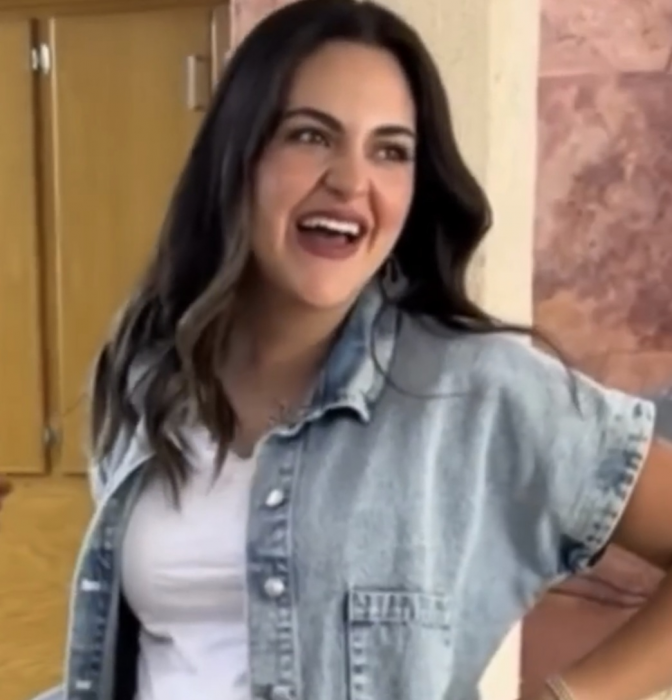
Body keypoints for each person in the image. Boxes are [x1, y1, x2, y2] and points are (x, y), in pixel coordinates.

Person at [20, 1, 672, 699]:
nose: (351, 182)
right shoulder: (150, 372)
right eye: (310, 136)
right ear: (238, 157)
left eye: (390, 150)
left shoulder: (477, 389)